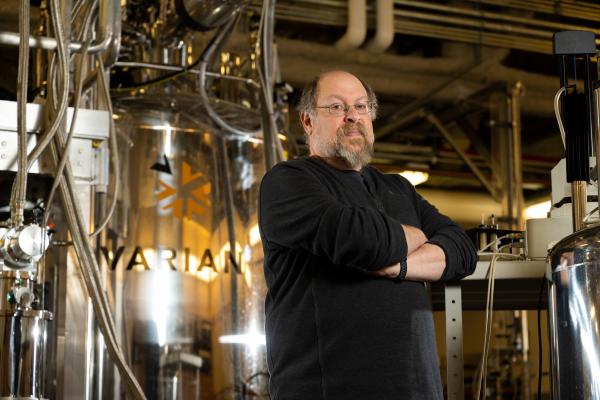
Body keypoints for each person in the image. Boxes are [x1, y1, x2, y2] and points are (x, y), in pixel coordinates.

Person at [258, 70, 477, 400]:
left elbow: (462, 250)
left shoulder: (398, 188)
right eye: (336, 107)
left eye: (361, 106)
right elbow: (362, 241)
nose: (352, 117)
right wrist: (419, 236)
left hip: (417, 391)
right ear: (307, 122)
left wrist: (398, 267)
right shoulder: (288, 182)